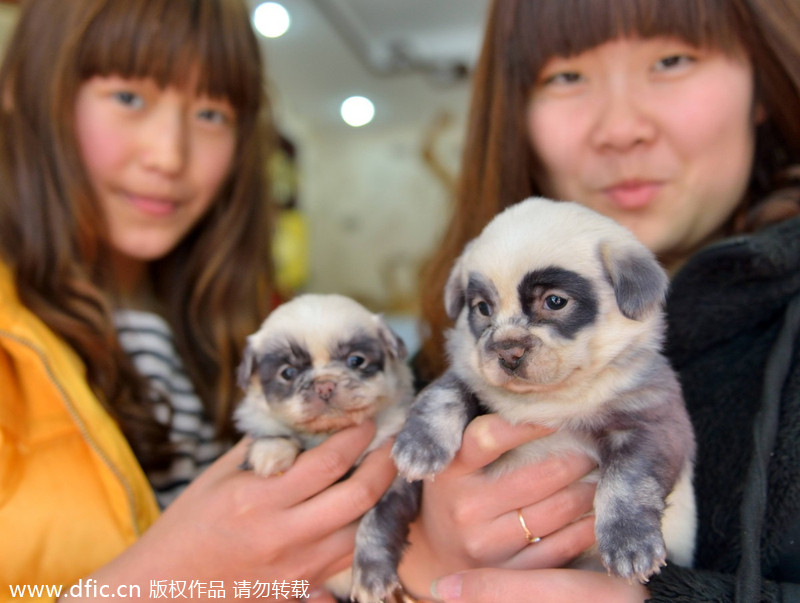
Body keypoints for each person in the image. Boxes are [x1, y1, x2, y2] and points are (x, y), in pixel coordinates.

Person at [403, 0, 800, 601]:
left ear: (762, 82)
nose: (620, 128)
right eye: (566, 76)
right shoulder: (452, 341)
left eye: (671, 59)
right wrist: (416, 567)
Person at [0, 1, 396, 600]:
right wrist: (166, 578)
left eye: (211, 112)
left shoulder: (231, 325)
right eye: (129, 98)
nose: (170, 156)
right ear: (23, 91)